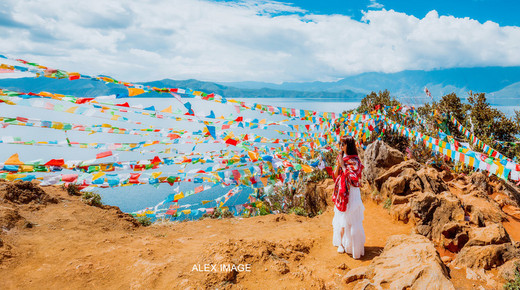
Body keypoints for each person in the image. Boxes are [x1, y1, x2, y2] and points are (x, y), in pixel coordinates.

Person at [332, 135, 365, 259]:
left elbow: (353, 178)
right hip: (342, 191)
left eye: (343, 144)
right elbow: (335, 175)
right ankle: (341, 243)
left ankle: (352, 246)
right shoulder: (342, 158)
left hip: (352, 191)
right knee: (341, 218)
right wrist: (339, 164)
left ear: (348, 145)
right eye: (340, 144)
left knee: (351, 219)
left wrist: (343, 166)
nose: (341, 146)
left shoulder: (355, 160)